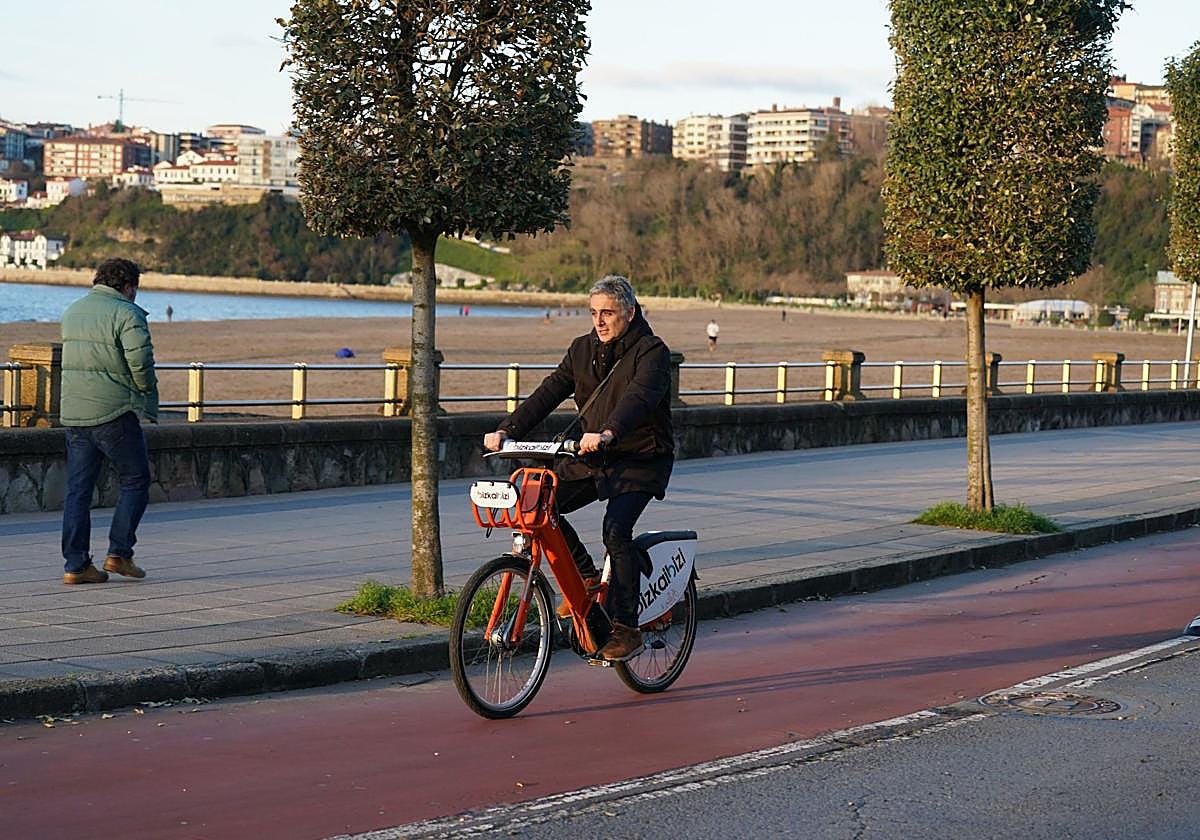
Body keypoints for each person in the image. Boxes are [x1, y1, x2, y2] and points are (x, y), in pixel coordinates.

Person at [483, 275, 674, 662]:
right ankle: (586, 578)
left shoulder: (652, 352)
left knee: (616, 530)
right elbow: (550, 391)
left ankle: (626, 628)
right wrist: (508, 428)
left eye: (608, 313)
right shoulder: (582, 349)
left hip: (640, 457)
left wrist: (608, 431)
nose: (599, 321)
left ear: (630, 312)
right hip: (595, 456)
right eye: (593, 313)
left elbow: (638, 399)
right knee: (542, 506)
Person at [59, 258, 158, 585]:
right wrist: (146, 392)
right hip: (114, 411)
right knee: (136, 479)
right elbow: (140, 362)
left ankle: (76, 565)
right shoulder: (127, 313)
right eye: (135, 289)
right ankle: (119, 553)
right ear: (128, 286)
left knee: (78, 491)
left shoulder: (73, 310)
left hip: (75, 413)